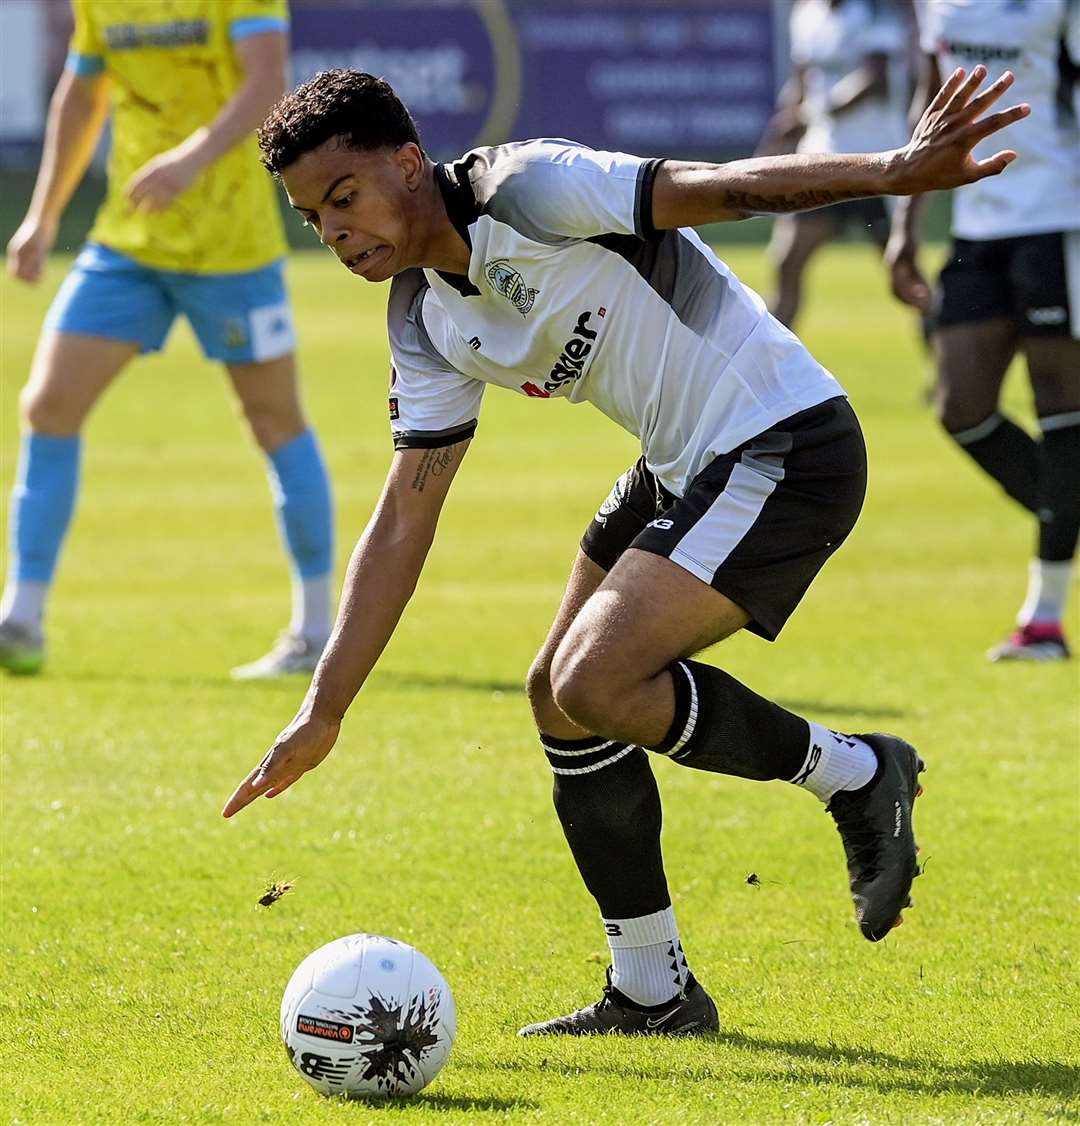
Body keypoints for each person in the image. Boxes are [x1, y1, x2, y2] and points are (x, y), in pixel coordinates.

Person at [222, 66, 1025, 1034]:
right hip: (684, 459)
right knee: (558, 701)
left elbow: (718, 187)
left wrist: (892, 173)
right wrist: (325, 707)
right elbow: (405, 517)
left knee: (596, 677)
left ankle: (856, 775)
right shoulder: (422, 317)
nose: (336, 232)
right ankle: (654, 990)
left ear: (405, 164)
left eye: (343, 198)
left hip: (785, 439)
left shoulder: (529, 187)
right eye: (314, 218)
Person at [1, 0, 335, 678]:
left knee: (275, 422)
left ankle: (315, 631)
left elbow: (268, 81)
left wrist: (189, 159)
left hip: (231, 248)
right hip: (128, 243)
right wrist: (43, 216)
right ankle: (22, 618)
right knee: (48, 407)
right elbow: (82, 90)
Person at [886, 0, 1079, 662]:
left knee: (1063, 411)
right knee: (961, 410)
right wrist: (905, 225)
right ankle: (1067, 508)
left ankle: (1044, 620)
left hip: (1059, 217)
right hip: (978, 223)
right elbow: (932, 103)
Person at [763, 0, 910, 327]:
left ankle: (948, 359)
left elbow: (875, 80)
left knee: (903, 273)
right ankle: (771, 367)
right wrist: (783, 127)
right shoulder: (806, 13)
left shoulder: (875, 10)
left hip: (876, 164)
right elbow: (802, 81)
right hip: (820, 160)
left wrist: (811, 113)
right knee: (787, 261)